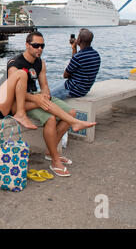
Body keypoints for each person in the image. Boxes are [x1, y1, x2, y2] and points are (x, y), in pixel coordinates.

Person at [7, 31, 97, 177]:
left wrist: (45, 94)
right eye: (36, 46)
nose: (40, 49)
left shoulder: (40, 62)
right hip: (19, 101)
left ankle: (51, 150)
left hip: (36, 96)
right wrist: (35, 99)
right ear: (27, 45)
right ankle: (55, 160)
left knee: (71, 112)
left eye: (42, 46)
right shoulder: (15, 64)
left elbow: (44, 85)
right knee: (50, 119)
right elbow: (11, 91)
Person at [50, 28, 101, 100]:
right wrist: (74, 48)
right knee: (50, 86)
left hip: (72, 90)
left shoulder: (78, 57)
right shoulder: (96, 54)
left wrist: (74, 50)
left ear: (79, 40)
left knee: (47, 95)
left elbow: (65, 75)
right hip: (84, 90)